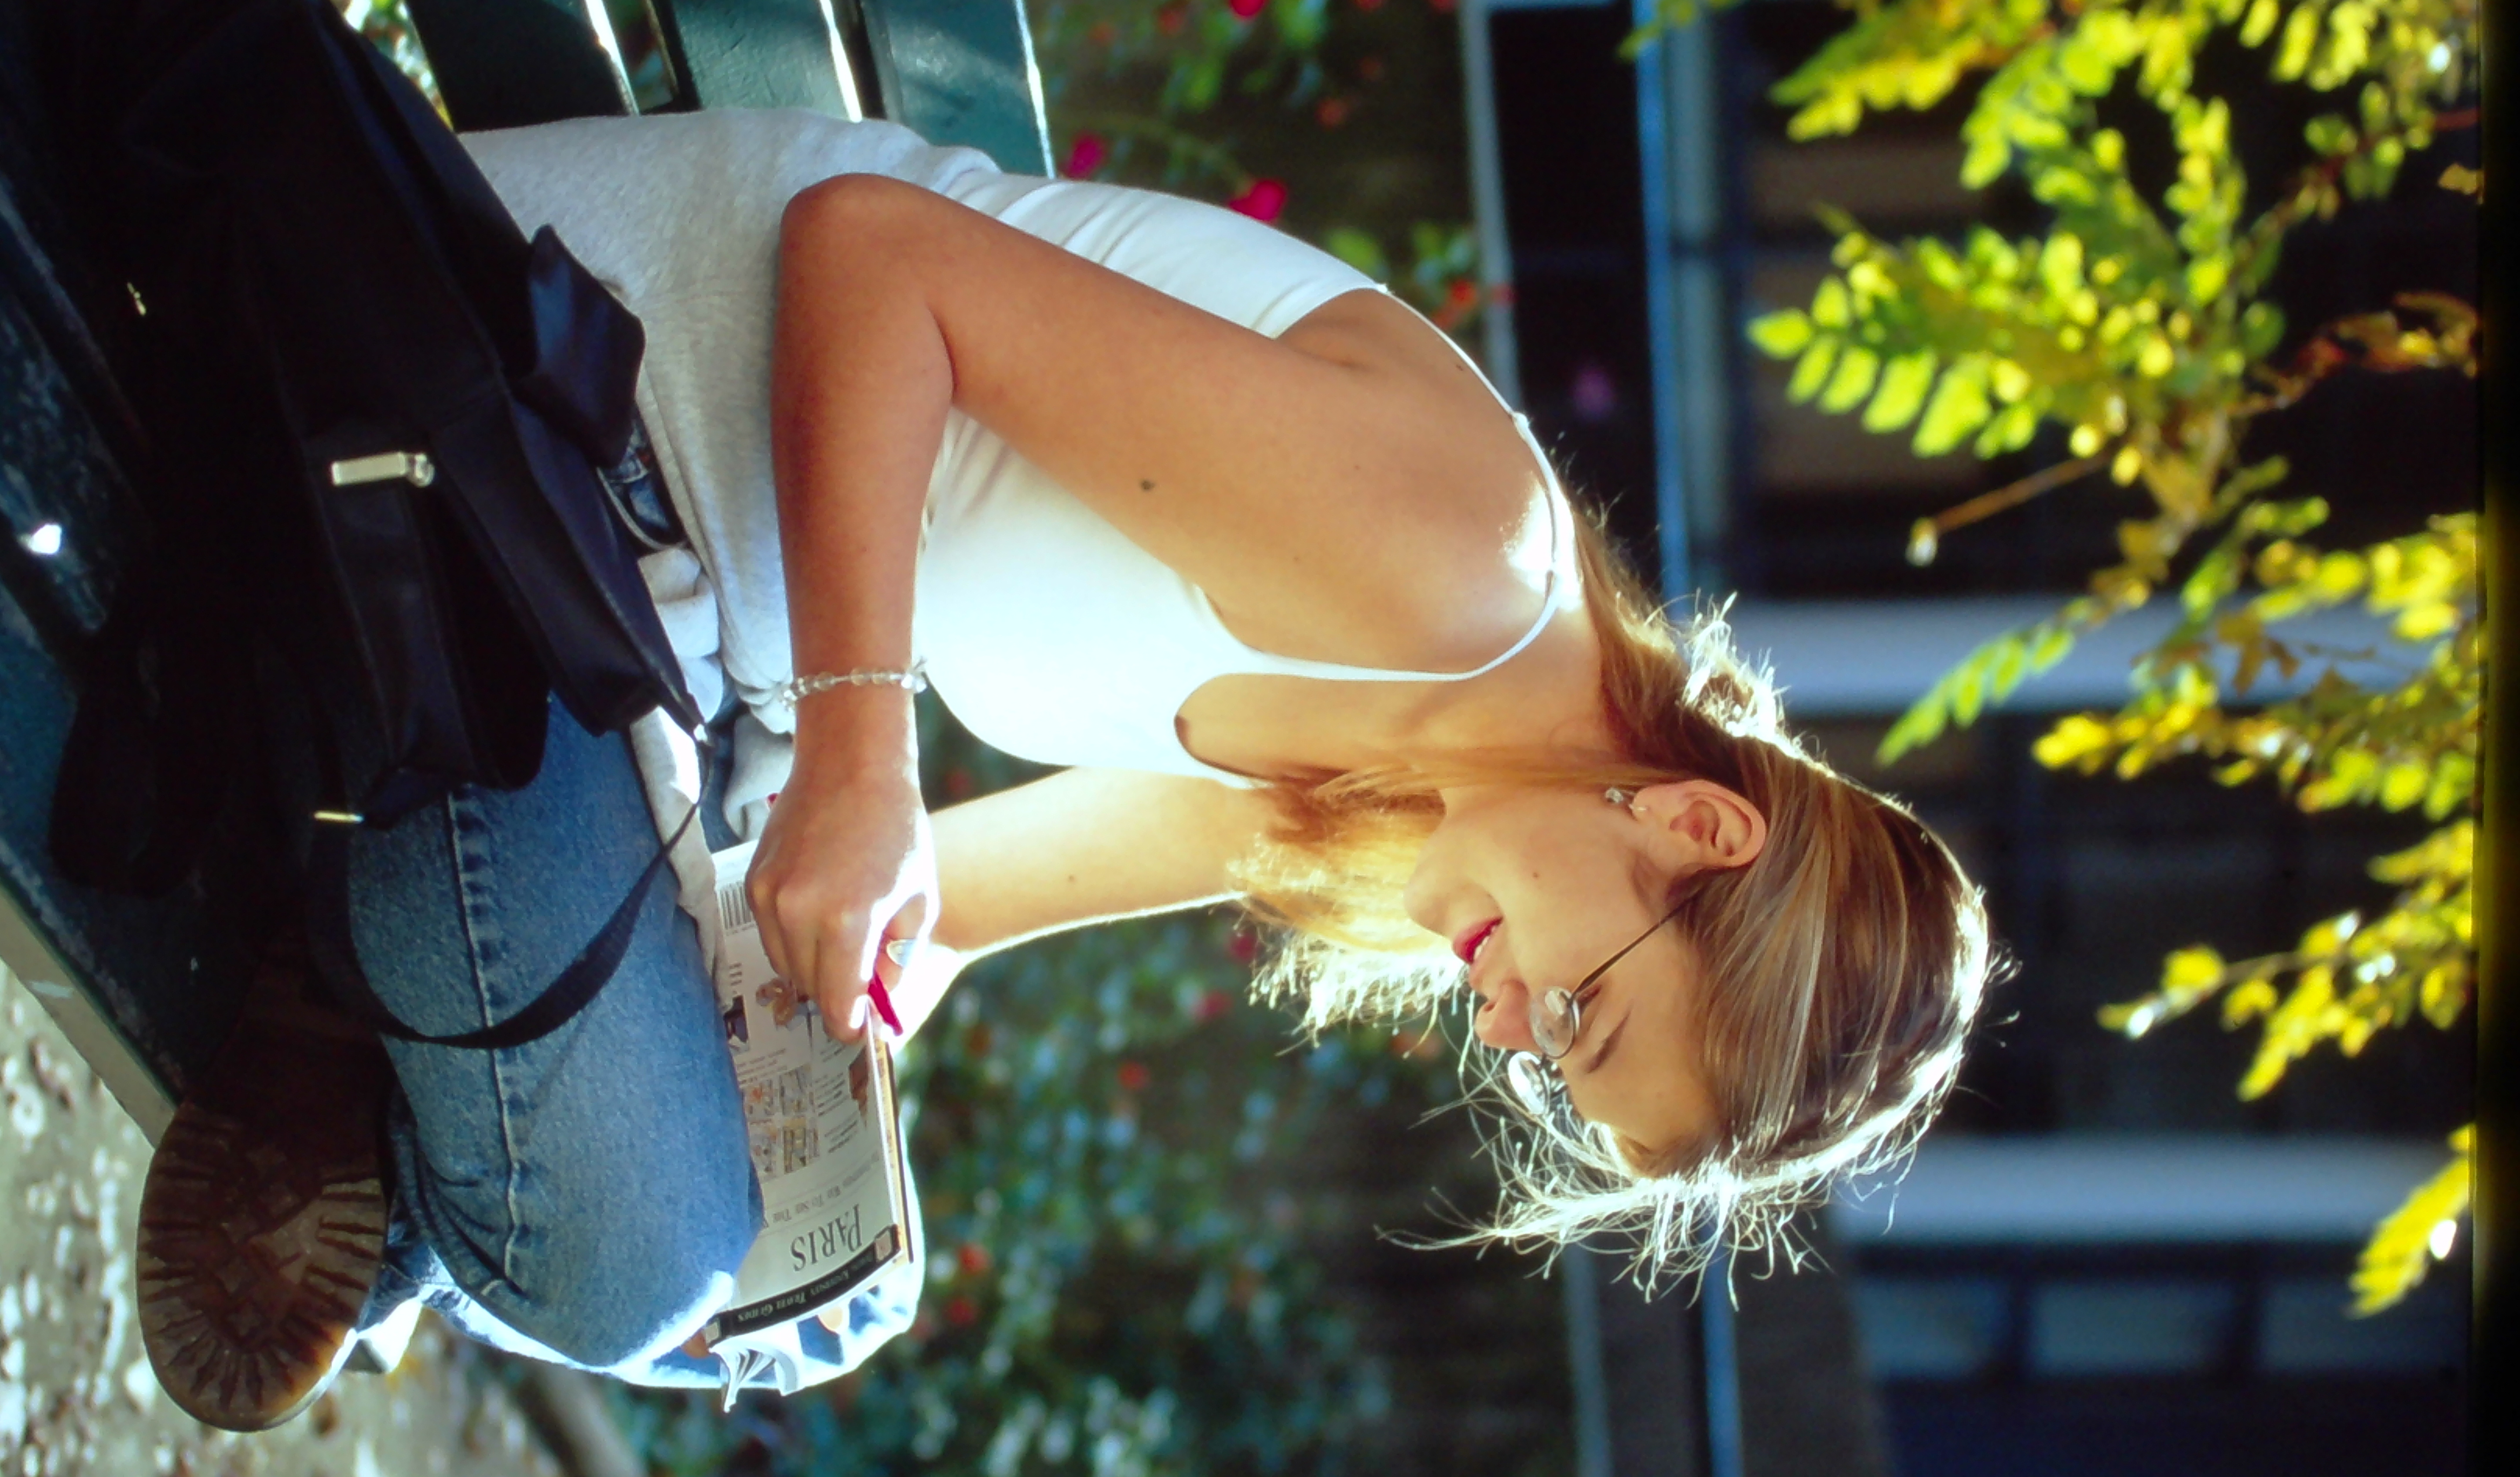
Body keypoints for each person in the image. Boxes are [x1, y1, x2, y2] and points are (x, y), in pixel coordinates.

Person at [136, 106, 1993, 1426]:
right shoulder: (1452, 562)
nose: (1511, 1036)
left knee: (779, 1295)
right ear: (1690, 819)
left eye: (1554, 1070)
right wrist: (862, 737)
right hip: (500, 439)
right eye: (1582, 1014)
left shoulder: (1401, 791)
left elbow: (947, 915)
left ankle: (385, 1053)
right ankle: (370, 1062)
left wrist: (839, 1059)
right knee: (626, 1254)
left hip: (626, 644)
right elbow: (871, 255)